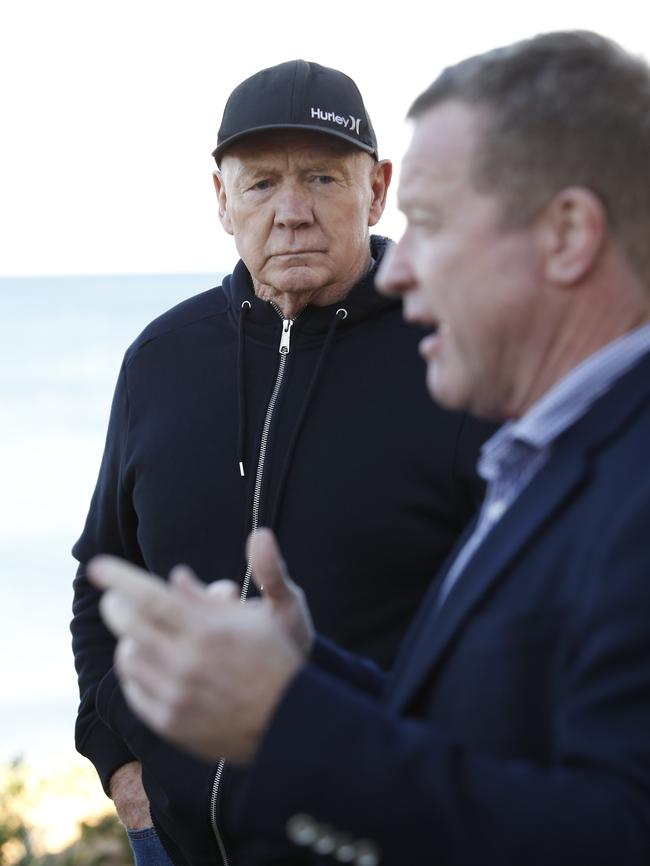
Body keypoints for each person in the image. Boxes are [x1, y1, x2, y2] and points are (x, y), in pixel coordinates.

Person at [89, 30, 650, 866]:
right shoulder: (552, 455)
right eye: (263, 183)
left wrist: (286, 725)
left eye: (432, 222)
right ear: (221, 196)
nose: (397, 270)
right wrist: (311, 672)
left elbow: (614, 834)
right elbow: (499, 726)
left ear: (569, 234)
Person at [71, 60, 489, 866]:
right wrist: (119, 761)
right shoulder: (160, 359)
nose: (291, 213)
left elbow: (526, 622)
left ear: (377, 191)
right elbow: (103, 573)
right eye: (261, 185)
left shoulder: (459, 353)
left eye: (323, 177)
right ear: (221, 200)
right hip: (178, 840)